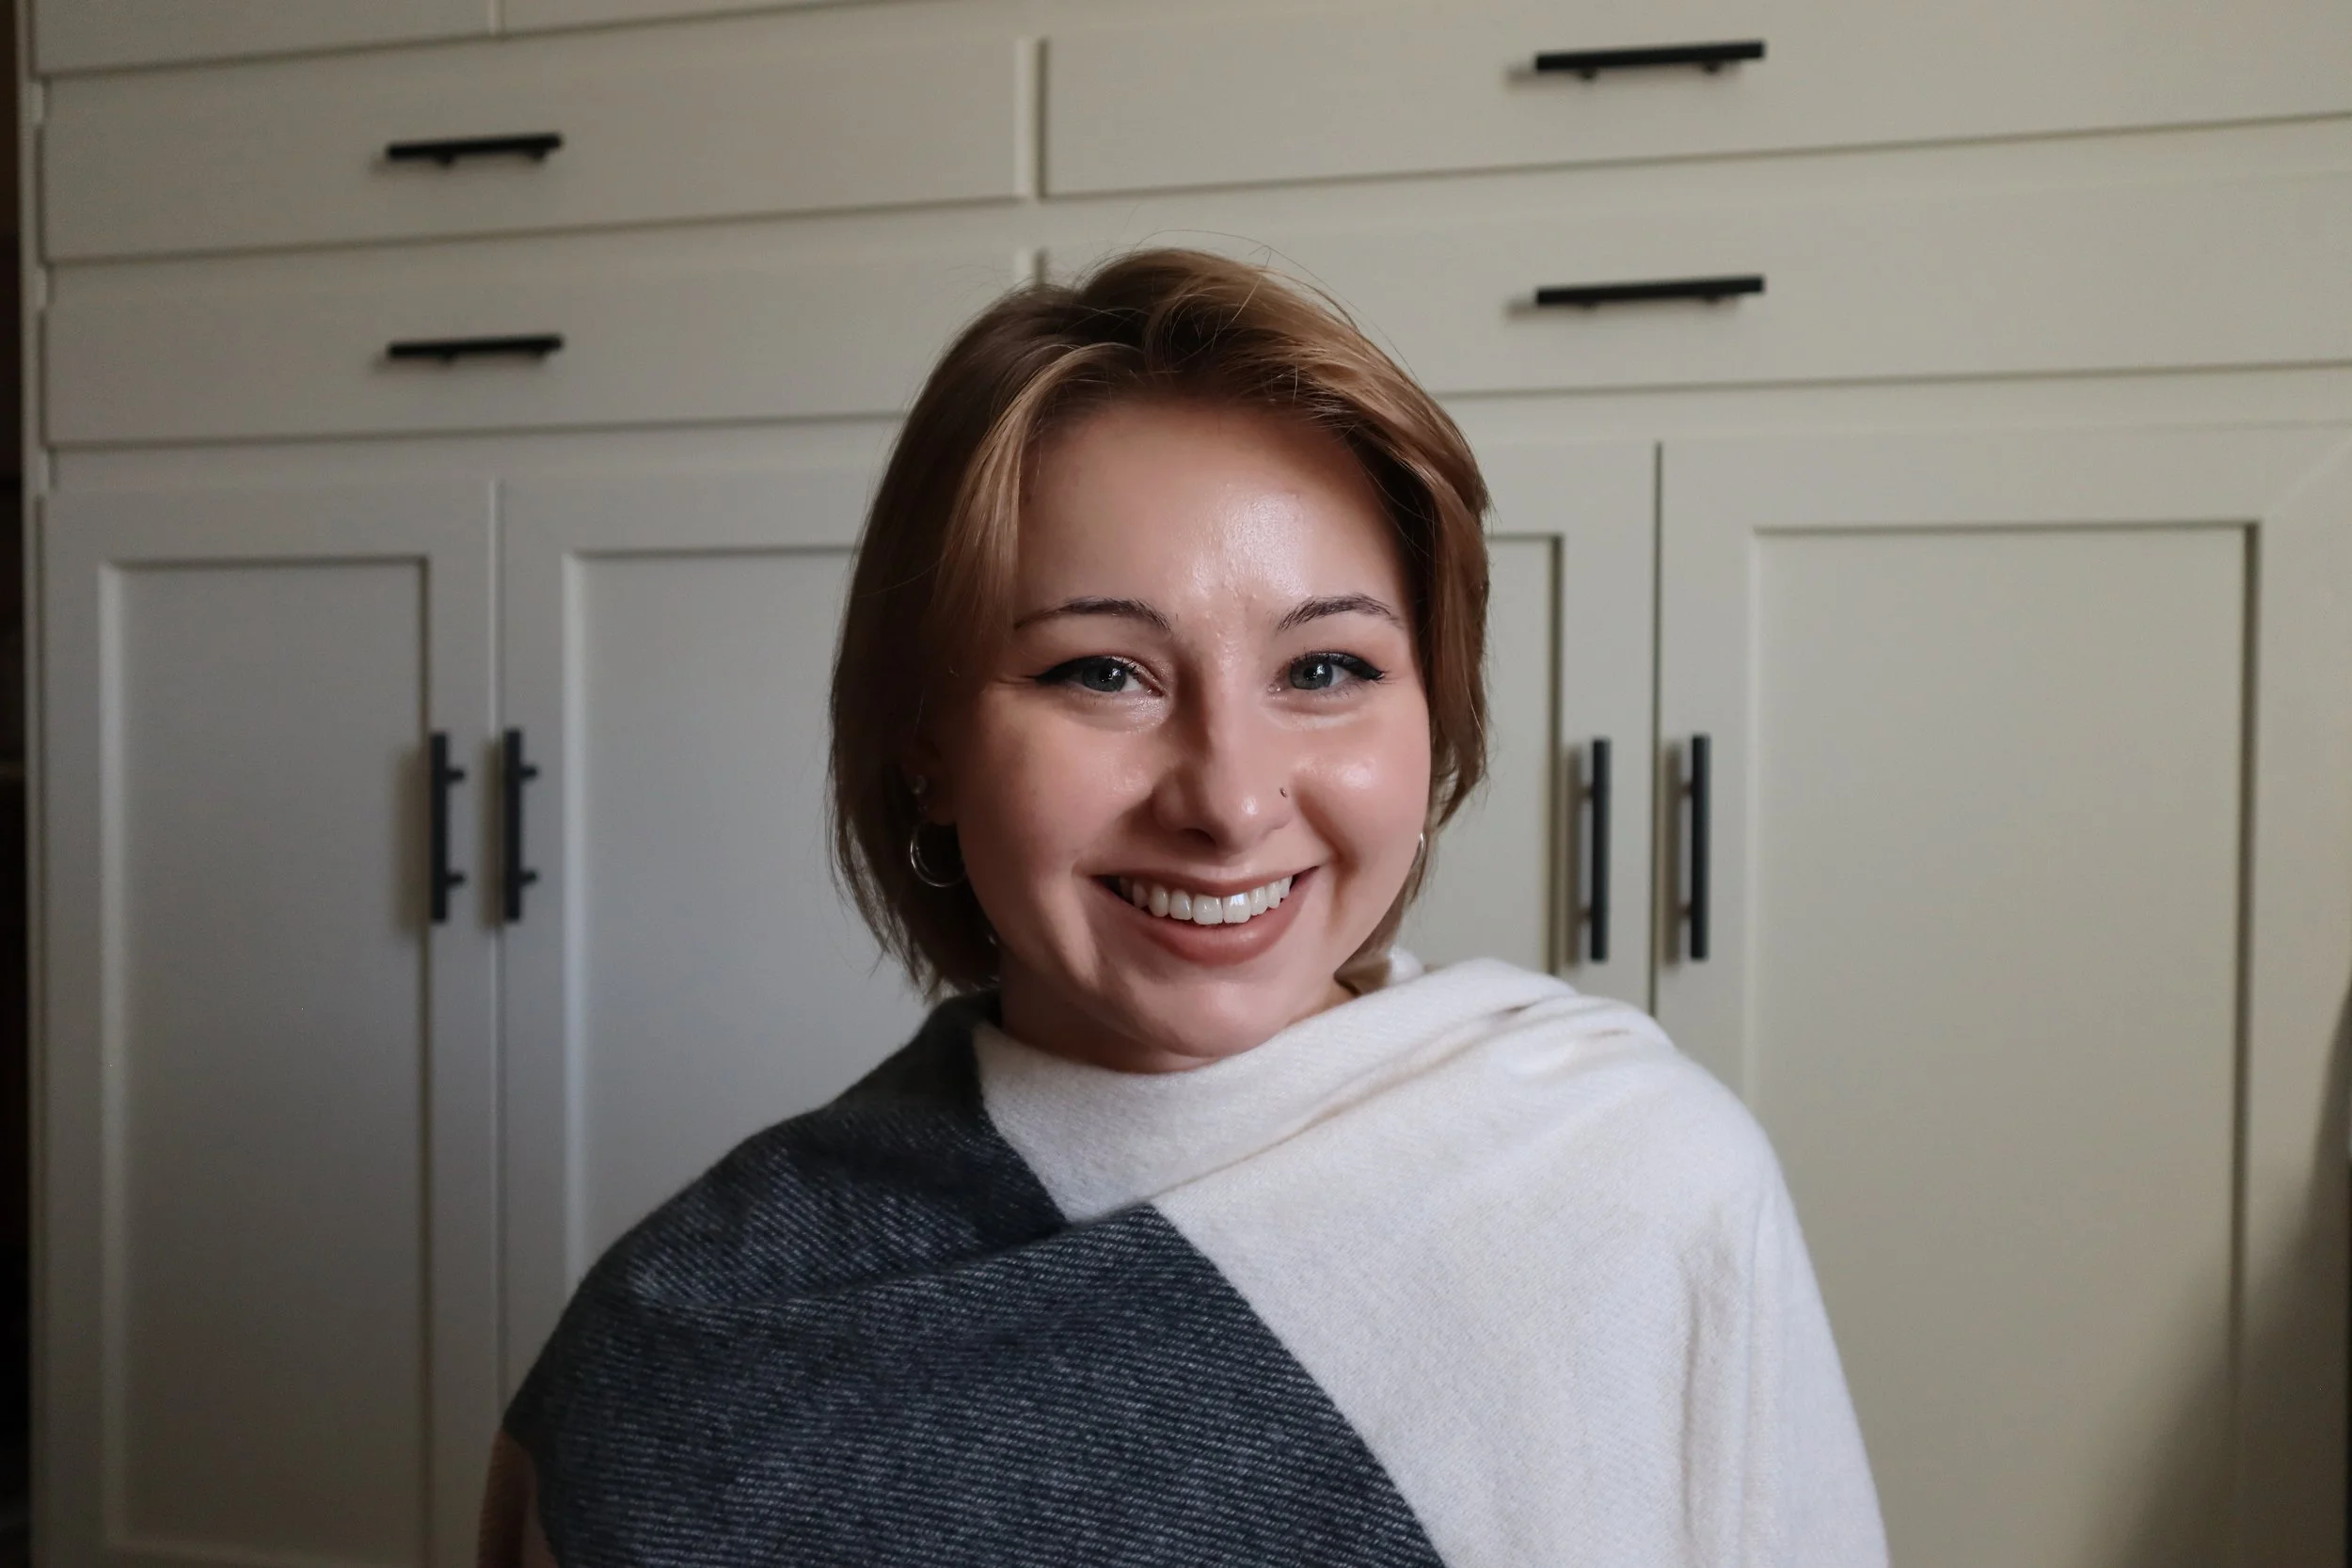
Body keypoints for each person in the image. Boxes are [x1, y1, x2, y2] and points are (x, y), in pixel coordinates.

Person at [478, 248, 1888, 1566]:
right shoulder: (682, 1352)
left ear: (1436, 711)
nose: (1228, 796)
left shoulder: (1642, 1183)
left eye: (1326, 669)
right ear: (927, 744)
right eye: (1104, 672)